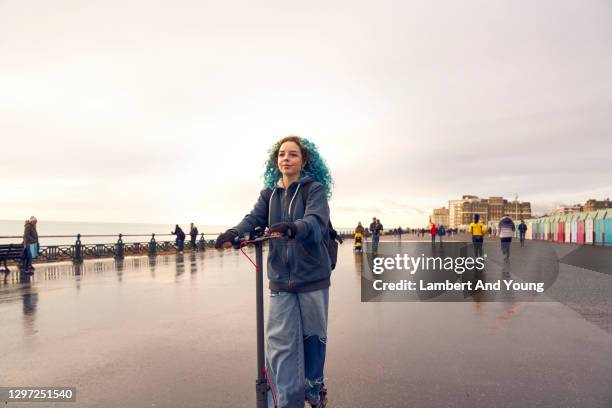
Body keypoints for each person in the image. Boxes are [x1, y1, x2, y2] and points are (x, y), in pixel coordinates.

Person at [215, 135, 332, 408]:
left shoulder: (313, 190)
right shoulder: (270, 194)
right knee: (280, 345)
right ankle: (283, 401)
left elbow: (316, 221)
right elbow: (253, 219)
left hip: (312, 277)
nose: (286, 159)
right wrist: (234, 232)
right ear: (275, 160)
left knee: (313, 339)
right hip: (280, 279)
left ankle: (313, 391)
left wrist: (295, 228)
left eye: (292, 154)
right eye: (281, 154)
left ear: (304, 160)